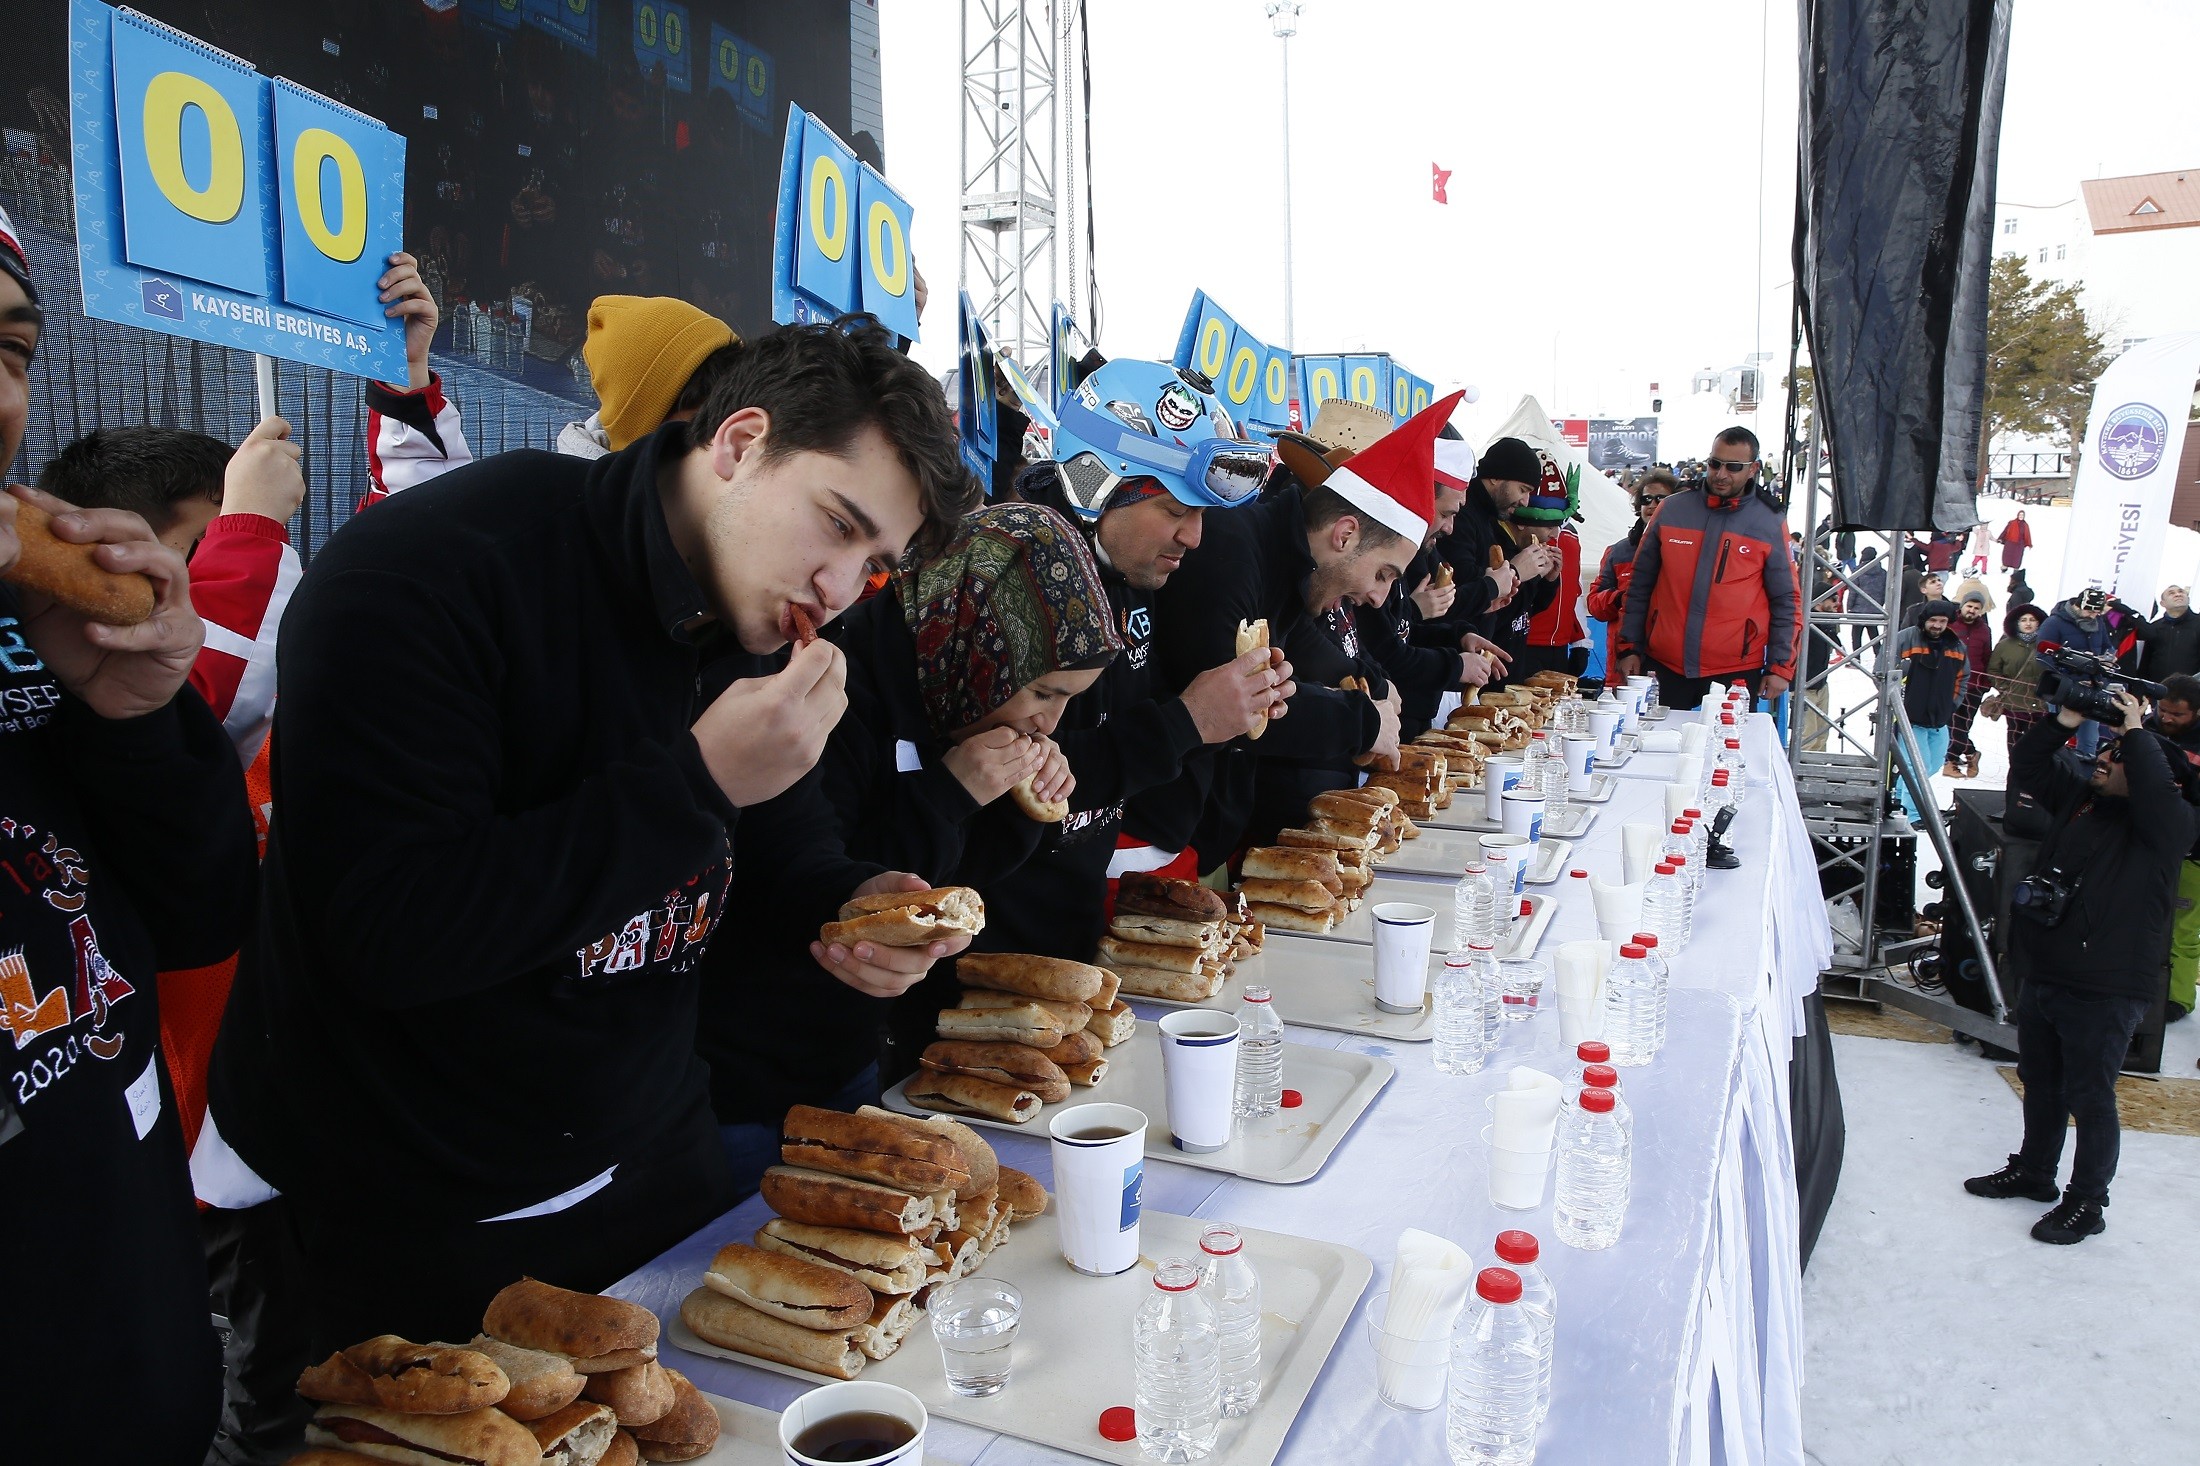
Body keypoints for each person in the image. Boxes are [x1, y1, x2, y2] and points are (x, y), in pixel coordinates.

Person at [206, 318, 982, 1349]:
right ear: (739, 442)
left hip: (656, 1158)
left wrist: (859, 908)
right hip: (413, 1213)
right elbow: (390, 928)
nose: (837, 591)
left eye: (873, 565)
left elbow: (784, 852)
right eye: (837, 526)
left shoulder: (757, 619)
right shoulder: (435, 570)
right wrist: (695, 779)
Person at [0, 205, 259, 1463]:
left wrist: (138, 717)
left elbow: (201, 912)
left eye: (7, 349)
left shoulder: (31, 636)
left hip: (135, 1368)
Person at [32, 419, 315, 1464]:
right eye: (172, 568)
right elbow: (209, 692)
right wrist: (246, 530)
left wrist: (410, 391)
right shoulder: (74, 685)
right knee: (262, 1374)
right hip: (197, 1111)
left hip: (255, 1087)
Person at [698, 502, 1119, 1190]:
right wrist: (954, 791)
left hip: (860, 1047)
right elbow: (824, 887)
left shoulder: (958, 701)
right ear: (977, 649)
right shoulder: (830, 685)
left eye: (1070, 697)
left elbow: (962, 877)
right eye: (1044, 691)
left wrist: (1015, 802)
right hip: (751, 1066)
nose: (1051, 720)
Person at [1154, 394, 1460, 861]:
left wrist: (1376, 684)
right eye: (1383, 575)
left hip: (1205, 826)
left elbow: (1303, 640)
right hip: (1155, 833)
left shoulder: (1286, 558)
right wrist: (1362, 720)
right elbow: (1241, 710)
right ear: (1345, 535)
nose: (1378, 599)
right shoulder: (1230, 552)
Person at [1965, 692, 2196, 1244]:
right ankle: (2035, 1171)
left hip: (2108, 984)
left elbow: (2161, 799)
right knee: (2039, 1080)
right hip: (2049, 968)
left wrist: (2139, 733)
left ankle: (2088, 1202)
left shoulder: (2170, 825)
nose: (2104, 759)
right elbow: (2030, 766)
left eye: (2118, 756)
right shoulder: (2084, 800)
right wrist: (2064, 719)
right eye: (2108, 749)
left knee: (2090, 1095)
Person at [1615, 425, 1800, 709]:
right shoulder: (1672, 509)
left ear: (1754, 469)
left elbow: (1786, 599)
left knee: (1726, 751)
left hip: (1734, 670)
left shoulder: (1769, 522)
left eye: (1733, 467)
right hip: (1665, 664)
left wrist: (1780, 666)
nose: (1721, 474)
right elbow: (1639, 584)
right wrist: (1629, 647)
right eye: (1715, 463)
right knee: (1657, 749)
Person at [1353, 422, 1499, 736]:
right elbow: (1385, 649)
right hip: (1372, 731)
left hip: (1399, 720)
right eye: (1446, 514)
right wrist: (1456, 665)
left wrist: (1457, 636)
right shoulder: (1370, 550)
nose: (1449, 528)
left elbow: (1403, 631)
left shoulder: (1420, 551)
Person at [1420, 436, 1559, 686]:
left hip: (1470, 659)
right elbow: (1456, 594)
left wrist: (1540, 579)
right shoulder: (1464, 517)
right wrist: (1515, 570)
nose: (1525, 501)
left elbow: (1514, 607)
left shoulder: (1488, 518)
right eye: (1523, 489)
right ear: (1496, 477)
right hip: (1447, 668)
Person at [2147, 674, 2200, 1024]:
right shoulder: (2149, 729)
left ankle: (2178, 998)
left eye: (2175, 715)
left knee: (2182, 927)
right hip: (2149, 844)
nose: (2166, 718)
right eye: (2162, 710)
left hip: (2194, 853)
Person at [1587, 468, 1674, 671]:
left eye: (1661, 499)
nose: (1652, 505)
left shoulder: (1688, 550)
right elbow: (1594, 605)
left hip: (1669, 661)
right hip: (1624, 662)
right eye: (1646, 499)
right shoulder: (1618, 552)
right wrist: (1619, 598)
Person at [2035, 587, 2135, 757]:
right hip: (2063, 687)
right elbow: (2042, 657)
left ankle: (2086, 770)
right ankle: (2050, 767)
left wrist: (2108, 658)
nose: (2092, 616)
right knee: (2058, 733)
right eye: (2089, 610)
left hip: (2092, 686)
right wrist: (2073, 664)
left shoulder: (2098, 622)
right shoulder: (2054, 623)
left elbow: (2107, 646)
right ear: (2077, 605)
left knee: (2090, 737)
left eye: (2097, 612)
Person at [1891, 600, 1966, 822]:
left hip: (1939, 719)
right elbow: (1883, 671)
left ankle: (1900, 793)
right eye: (1933, 620)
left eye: (1942, 621)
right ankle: (1913, 815)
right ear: (1924, 620)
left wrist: (1952, 704)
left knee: (1932, 765)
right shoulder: (1905, 638)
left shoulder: (1957, 646)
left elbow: (1963, 677)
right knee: (1918, 767)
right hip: (1909, 719)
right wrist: (1895, 701)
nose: (1937, 625)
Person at [1517, 468, 1589, 680]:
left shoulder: (1571, 537)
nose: (1554, 531)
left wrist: (1580, 642)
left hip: (1558, 645)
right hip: (1525, 643)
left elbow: (1575, 591)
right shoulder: (1521, 536)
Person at [1979, 602, 2048, 761]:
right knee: (2014, 736)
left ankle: (2034, 769)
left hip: (2040, 702)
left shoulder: (2047, 644)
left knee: (2037, 739)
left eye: (2032, 619)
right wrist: (2004, 687)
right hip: (2014, 701)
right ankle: (2015, 766)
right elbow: (1993, 670)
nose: (2028, 623)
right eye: (2023, 620)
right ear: (2016, 623)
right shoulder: (2004, 645)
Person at [1943, 584, 1995, 778]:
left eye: (1976, 608)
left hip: (1974, 684)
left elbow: (1987, 655)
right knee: (1951, 723)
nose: (1972, 611)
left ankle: (1958, 758)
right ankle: (1957, 759)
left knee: (1964, 724)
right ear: (1962, 606)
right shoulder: (1950, 625)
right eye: (1969, 606)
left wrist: (1986, 683)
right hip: (1950, 682)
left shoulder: (1985, 630)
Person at [2137, 584, 2200, 680]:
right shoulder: (2155, 627)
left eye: (2181, 592)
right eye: (2171, 593)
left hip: (2192, 690)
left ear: (2188, 599)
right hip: (2159, 689)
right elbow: (2145, 661)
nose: (2178, 594)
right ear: (2163, 603)